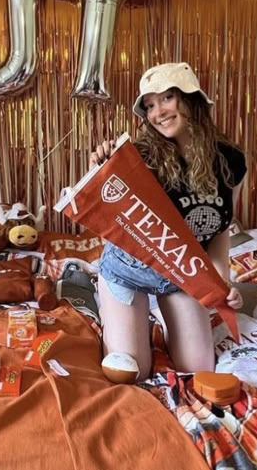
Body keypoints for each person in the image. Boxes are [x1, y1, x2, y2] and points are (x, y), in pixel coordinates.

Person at [91, 62, 246, 381]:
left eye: (166, 98)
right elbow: (103, 209)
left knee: (200, 369)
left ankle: (160, 319)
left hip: (182, 276)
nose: (157, 112)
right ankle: (124, 314)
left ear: (192, 100)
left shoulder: (230, 161)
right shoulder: (138, 157)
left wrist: (220, 281)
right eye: (149, 105)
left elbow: (218, 230)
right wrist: (102, 168)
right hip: (128, 272)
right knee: (131, 373)